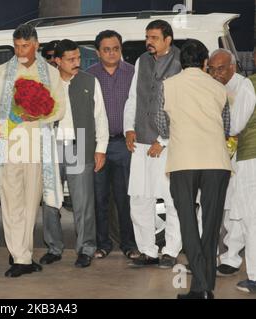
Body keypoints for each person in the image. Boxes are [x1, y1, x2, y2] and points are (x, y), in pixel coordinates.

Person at [0, 24, 65, 277]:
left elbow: (60, 108)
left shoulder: (50, 73)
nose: (20, 50)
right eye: (17, 46)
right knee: (10, 201)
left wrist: (38, 114)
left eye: (25, 46)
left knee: (31, 202)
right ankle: (20, 255)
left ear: (36, 45)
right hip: (8, 143)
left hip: (36, 143)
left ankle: (23, 252)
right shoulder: (2, 71)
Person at [156, 39, 231, 299]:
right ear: (203, 62)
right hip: (216, 162)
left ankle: (201, 285)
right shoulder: (218, 86)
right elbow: (227, 128)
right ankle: (203, 287)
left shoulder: (168, 85)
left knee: (187, 221)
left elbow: (162, 127)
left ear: (179, 62)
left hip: (184, 161)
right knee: (211, 225)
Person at [39, 39, 108, 268]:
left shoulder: (90, 81)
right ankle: (54, 247)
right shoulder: (46, 83)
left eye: (78, 58)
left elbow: (100, 117)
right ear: (57, 60)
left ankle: (86, 248)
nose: (76, 63)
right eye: (70, 59)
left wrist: (100, 149)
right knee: (50, 201)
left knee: (83, 202)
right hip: (51, 148)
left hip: (79, 146)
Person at [123, 20, 182, 268]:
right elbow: (134, 97)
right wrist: (128, 128)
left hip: (168, 144)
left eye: (155, 37)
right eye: (148, 37)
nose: (149, 42)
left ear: (168, 39)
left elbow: (180, 105)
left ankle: (170, 251)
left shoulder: (180, 62)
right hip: (141, 142)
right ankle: (148, 250)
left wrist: (164, 140)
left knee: (171, 200)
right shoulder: (142, 61)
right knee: (139, 197)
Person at [87, 30, 139, 260]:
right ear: (98, 52)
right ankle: (103, 244)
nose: (111, 53)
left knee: (125, 198)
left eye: (116, 48)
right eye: (106, 49)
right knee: (99, 198)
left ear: (121, 49)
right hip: (98, 147)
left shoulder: (132, 73)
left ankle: (129, 244)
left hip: (124, 145)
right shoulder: (89, 75)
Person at [208, 49, 250, 277]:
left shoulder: (243, 87)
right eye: (212, 69)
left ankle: (232, 258)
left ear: (232, 67)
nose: (216, 73)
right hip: (214, 156)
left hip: (239, 157)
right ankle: (216, 255)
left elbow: (236, 125)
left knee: (235, 209)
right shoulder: (211, 86)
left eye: (220, 69)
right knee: (220, 208)